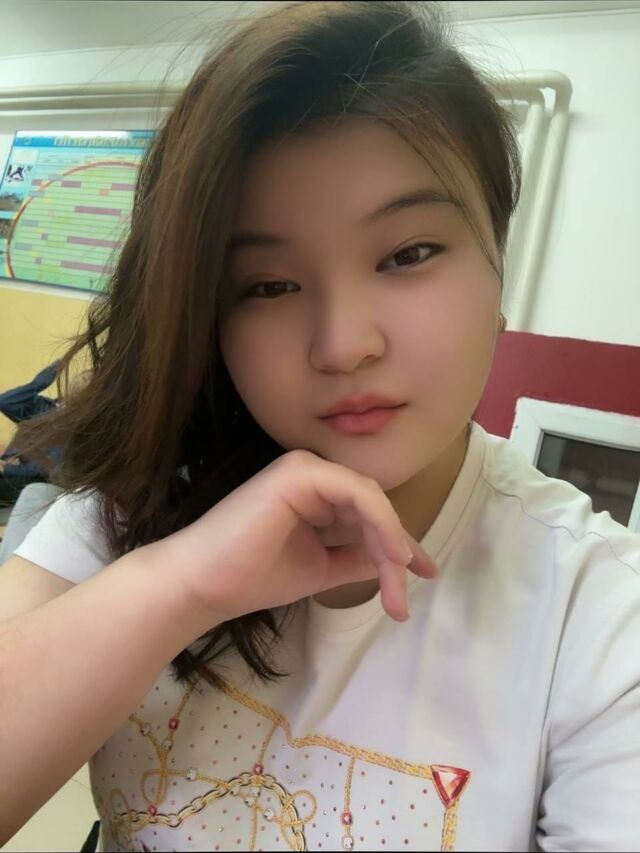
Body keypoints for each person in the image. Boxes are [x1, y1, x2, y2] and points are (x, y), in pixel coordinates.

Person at [0, 2, 638, 851]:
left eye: (408, 254)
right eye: (267, 285)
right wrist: (179, 584)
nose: (343, 345)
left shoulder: (600, 616)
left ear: (498, 259)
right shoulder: (129, 511)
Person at [0, 361, 61, 503]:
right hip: (8, 466)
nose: (82, 379)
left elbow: (47, 468)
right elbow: (4, 401)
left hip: (26, 478)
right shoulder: (43, 406)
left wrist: (8, 468)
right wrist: (36, 385)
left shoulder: (75, 424)